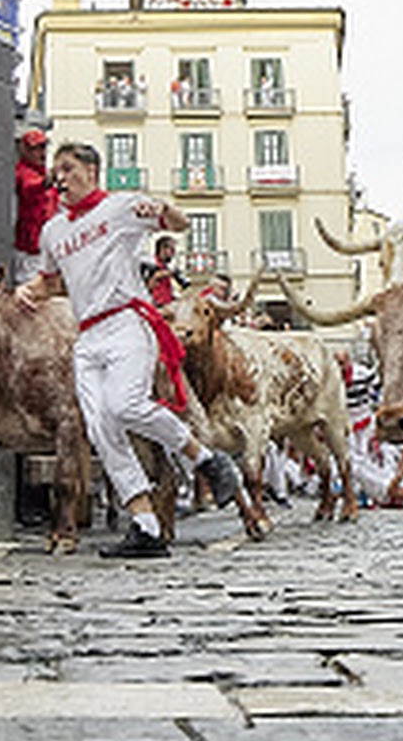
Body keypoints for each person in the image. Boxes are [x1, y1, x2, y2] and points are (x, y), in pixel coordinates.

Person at [16, 141, 241, 558]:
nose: (58, 177)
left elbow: (180, 223)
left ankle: (206, 459)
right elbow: (54, 281)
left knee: (125, 405)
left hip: (126, 322)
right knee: (102, 428)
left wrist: (162, 209)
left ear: (92, 172)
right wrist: (32, 290)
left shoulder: (122, 207)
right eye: (56, 170)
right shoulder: (53, 231)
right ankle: (146, 526)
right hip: (87, 335)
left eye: (67, 168)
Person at [12, 127, 57, 284]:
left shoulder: (42, 172)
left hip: (46, 246)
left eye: (43, 147)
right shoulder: (23, 171)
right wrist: (50, 180)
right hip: (30, 249)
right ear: (24, 150)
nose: (41, 153)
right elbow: (29, 187)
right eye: (35, 149)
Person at [141, 234, 188, 308]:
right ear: (162, 249)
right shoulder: (150, 264)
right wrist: (156, 277)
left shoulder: (165, 267)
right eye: (171, 250)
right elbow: (144, 288)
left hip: (167, 307)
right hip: (155, 308)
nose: (173, 253)